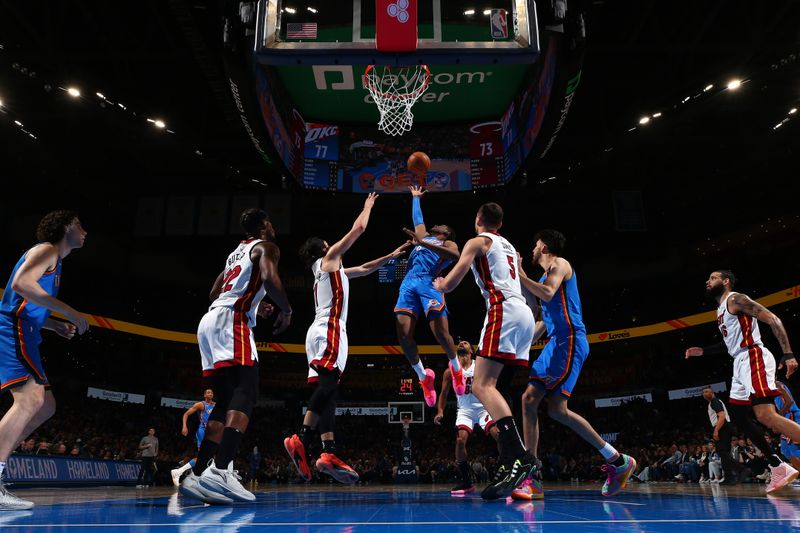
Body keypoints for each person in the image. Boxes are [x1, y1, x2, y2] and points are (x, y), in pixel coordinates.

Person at [286, 193, 408, 484]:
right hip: (330, 328)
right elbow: (358, 230)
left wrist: (390, 257)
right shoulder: (328, 260)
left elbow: (365, 269)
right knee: (329, 386)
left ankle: (328, 451)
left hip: (316, 331)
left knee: (329, 390)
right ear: (325, 249)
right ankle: (300, 438)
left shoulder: (330, 271)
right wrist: (367, 207)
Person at [180, 208, 292, 505]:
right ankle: (221, 469)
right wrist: (286, 309)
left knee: (224, 403)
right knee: (247, 391)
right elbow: (269, 278)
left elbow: (215, 291)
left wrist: (257, 306)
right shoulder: (267, 247)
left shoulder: (236, 253)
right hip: (232, 322)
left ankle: (199, 474)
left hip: (209, 323)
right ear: (265, 225)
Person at [517, 229, 636, 499]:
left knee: (535, 400)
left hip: (569, 340)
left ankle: (531, 476)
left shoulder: (560, 264)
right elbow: (541, 323)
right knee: (550, 408)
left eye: (535, 245)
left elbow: (547, 294)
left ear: (545, 247)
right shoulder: (543, 276)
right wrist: (518, 348)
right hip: (555, 342)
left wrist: (521, 276)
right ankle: (618, 461)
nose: (533, 249)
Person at [433, 202, 537, 500]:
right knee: (499, 390)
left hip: (502, 310)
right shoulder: (508, 245)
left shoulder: (477, 241)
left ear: (478, 219)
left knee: (481, 385)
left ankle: (521, 458)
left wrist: (441, 283)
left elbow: (453, 281)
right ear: (500, 224)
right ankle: (509, 464)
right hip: (525, 314)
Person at [0, 211, 89, 511]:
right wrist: (70, 313)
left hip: (26, 331)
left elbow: (28, 301)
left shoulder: (55, 261)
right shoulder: (47, 250)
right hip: (11, 329)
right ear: (65, 228)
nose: (84, 231)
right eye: (79, 225)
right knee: (29, 400)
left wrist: (52, 325)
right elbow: (22, 286)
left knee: (46, 406)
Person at [685, 270, 800, 493]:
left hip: (753, 356)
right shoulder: (721, 310)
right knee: (738, 416)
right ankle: (777, 465)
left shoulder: (736, 299)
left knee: (766, 415)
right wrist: (703, 351)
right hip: (739, 361)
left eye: (713, 278)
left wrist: (788, 353)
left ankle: (778, 466)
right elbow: (729, 344)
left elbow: (773, 319)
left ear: (726, 281)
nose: (708, 281)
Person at [395, 185, 464, 407]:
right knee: (404, 337)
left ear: (446, 233)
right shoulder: (423, 234)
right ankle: (424, 377)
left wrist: (423, 242)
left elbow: (455, 255)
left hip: (429, 283)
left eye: (441, 225)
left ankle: (456, 369)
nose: (436, 225)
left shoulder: (447, 242)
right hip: (408, 284)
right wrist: (415, 198)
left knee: (442, 334)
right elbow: (418, 219)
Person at [434, 340, 517, 497]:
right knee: (460, 441)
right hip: (465, 410)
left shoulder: (478, 366)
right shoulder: (449, 371)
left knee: (499, 435)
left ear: (471, 351)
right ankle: (466, 481)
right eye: (460, 342)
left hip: (483, 407)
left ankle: (506, 474)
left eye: (466, 342)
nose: (462, 343)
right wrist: (440, 411)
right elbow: (443, 394)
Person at [170, 388, 216, 486]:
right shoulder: (200, 404)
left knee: (207, 457)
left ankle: (181, 472)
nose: (210, 394)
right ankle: (185, 473)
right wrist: (184, 426)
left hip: (212, 433)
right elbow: (186, 414)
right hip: (202, 432)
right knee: (203, 457)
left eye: (211, 392)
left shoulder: (215, 405)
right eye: (208, 392)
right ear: (204, 395)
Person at [701, 387, 742, 482]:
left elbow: (722, 416)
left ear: (712, 392)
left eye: (707, 391)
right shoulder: (715, 401)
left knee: (721, 451)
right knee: (724, 452)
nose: (704, 393)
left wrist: (716, 430)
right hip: (725, 427)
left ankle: (741, 469)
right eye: (703, 392)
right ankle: (729, 477)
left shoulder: (714, 401)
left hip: (722, 427)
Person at [774, 381, 800, 471]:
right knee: (785, 450)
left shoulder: (778, 385)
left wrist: (777, 417)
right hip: (786, 418)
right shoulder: (769, 388)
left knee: (794, 449)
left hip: (794, 417)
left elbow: (790, 401)